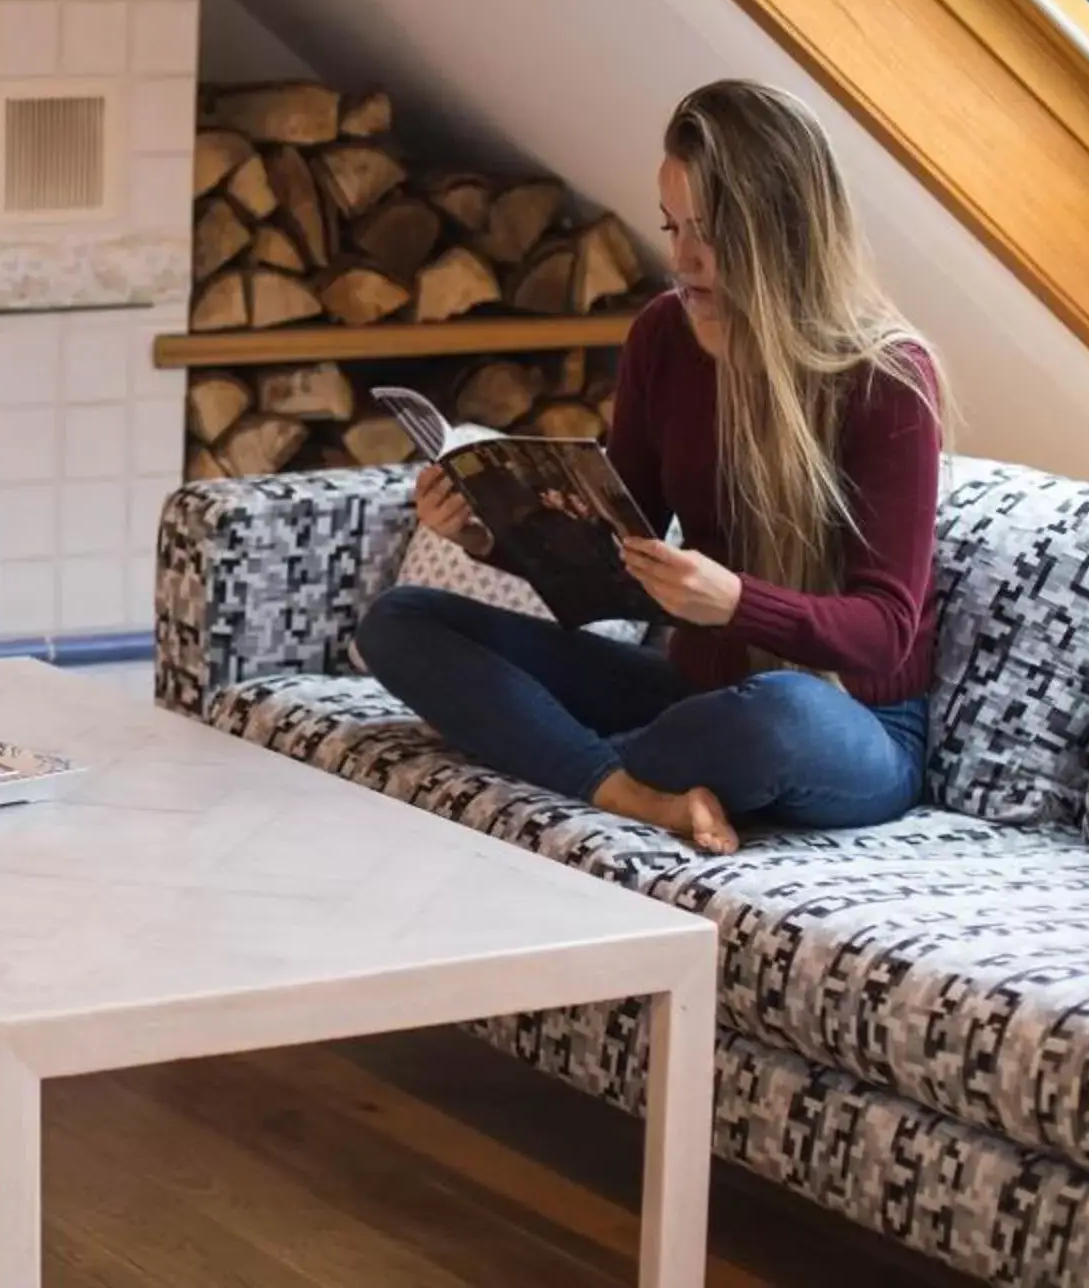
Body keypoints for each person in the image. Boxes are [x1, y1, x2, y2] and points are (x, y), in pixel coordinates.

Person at [355, 81, 944, 854]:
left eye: (710, 233)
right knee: (402, 620)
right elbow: (608, 555)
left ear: (783, 231)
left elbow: (885, 633)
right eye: (674, 227)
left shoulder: (888, 378)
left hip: (847, 725)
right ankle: (628, 790)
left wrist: (734, 602)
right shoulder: (664, 335)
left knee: (776, 714)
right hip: (686, 695)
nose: (683, 260)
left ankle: (540, 744)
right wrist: (484, 533)